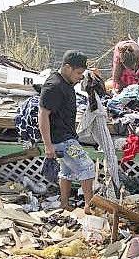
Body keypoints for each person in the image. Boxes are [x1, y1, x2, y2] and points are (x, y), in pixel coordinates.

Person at [38, 50, 95, 213]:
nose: (80, 77)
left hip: (65, 137)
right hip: (62, 140)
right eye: (78, 73)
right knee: (87, 167)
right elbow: (43, 115)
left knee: (67, 172)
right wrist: (48, 146)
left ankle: (64, 204)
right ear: (67, 68)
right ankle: (89, 207)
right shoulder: (54, 86)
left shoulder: (65, 82)